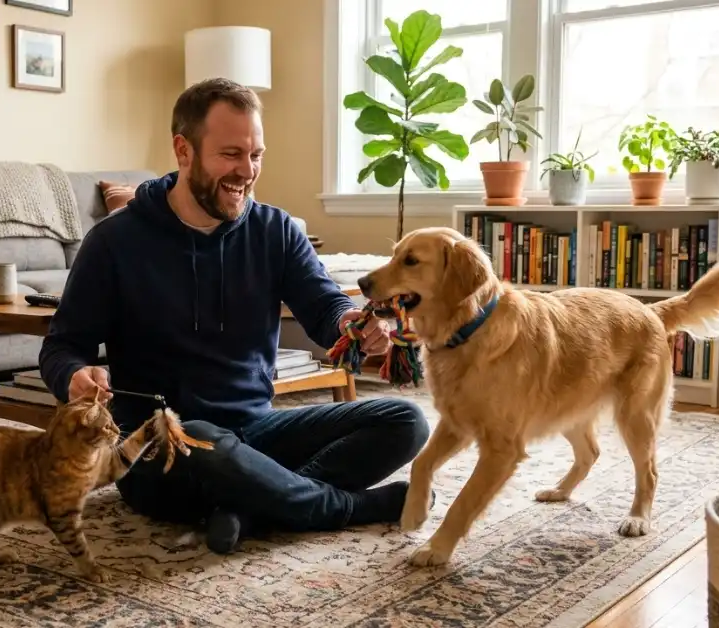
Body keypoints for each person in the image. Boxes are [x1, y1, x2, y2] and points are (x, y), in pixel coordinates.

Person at [38, 78, 431, 554]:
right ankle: (348, 507)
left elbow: (324, 305)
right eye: (231, 154)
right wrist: (76, 376)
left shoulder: (275, 230)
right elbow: (61, 347)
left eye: (256, 155)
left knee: (405, 421)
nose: (247, 170)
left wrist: (354, 325)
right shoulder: (114, 242)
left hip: (256, 430)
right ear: (184, 151)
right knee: (202, 436)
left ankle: (245, 508)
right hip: (160, 447)